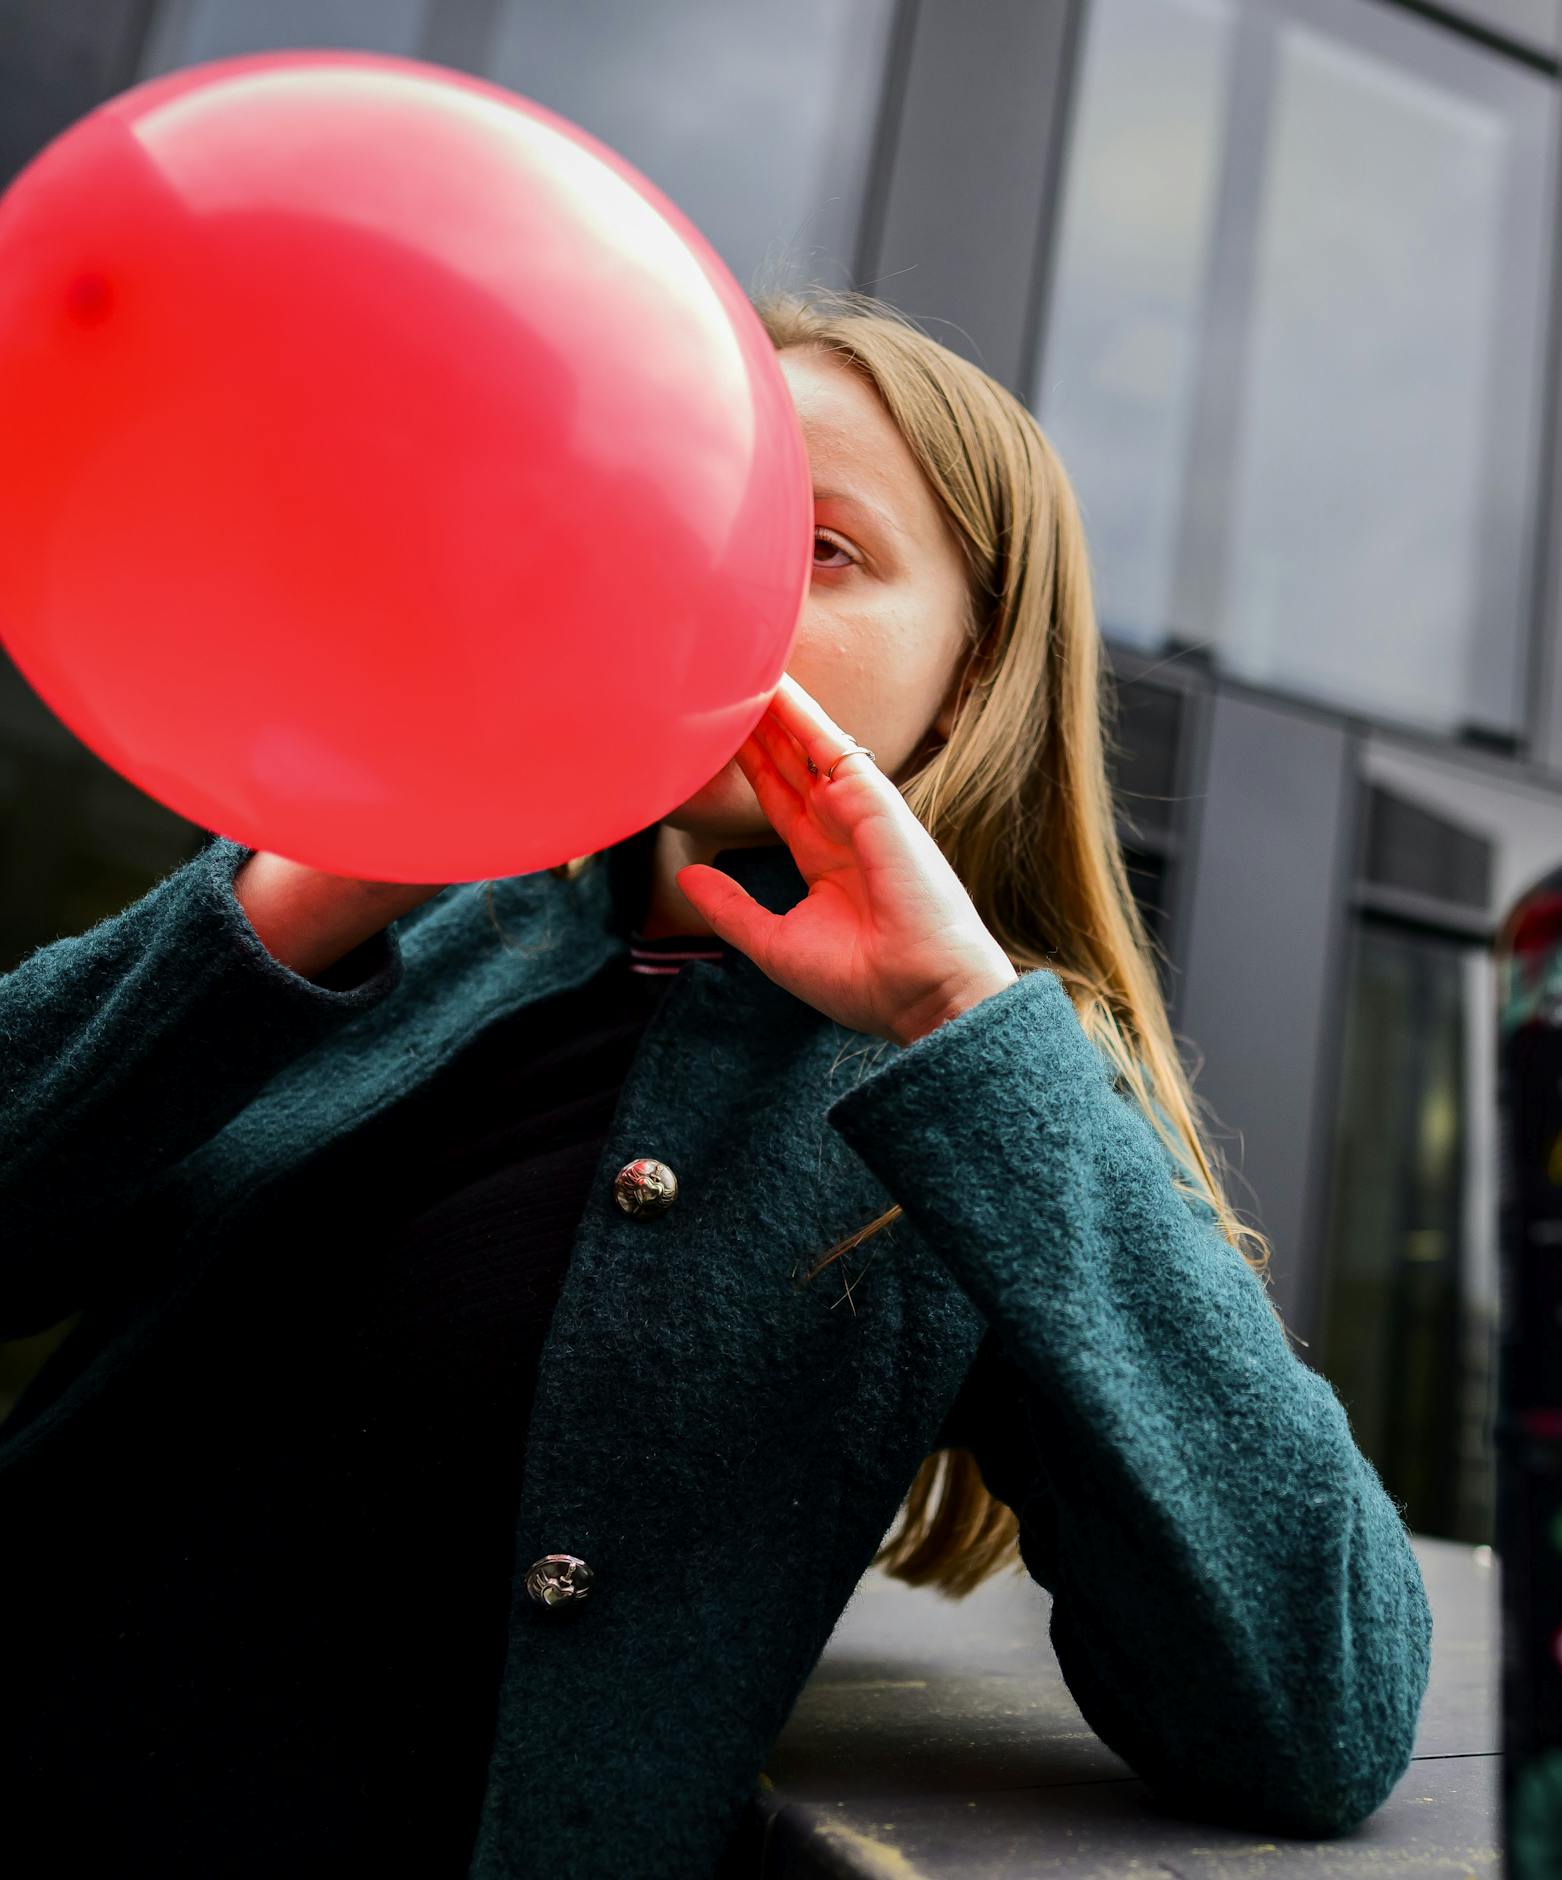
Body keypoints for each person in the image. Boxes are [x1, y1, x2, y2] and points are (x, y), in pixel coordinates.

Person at [0, 286, 1432, 1877]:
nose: (723, 578)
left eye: (823, 549)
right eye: (700, 511)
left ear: (971, 675)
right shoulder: (388, 909)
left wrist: (967, 1017)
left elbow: (1328, 1710)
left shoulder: (978, 1094)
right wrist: (313, 883)